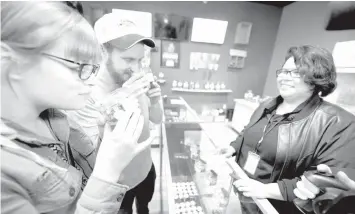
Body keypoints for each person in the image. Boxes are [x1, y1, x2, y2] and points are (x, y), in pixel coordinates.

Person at [1, 2, 153, 214]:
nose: (91, 80)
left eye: (91, 67)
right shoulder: (7, 176)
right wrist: (109, 169)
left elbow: (87, 174)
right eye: (77, 66)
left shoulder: (59, 121)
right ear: (15, 62)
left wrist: (104, 137)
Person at [220, 45, 355, 214]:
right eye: (283, 71)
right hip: (247, 190)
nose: (284, 77)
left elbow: (323, 181)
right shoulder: (267, 104)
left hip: (278, 206)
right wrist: (233, 146)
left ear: (316, 78)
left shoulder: (337, 122)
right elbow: (248, 131)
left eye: (295, 72)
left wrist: (264, 190)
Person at [66, 13, 163, 214]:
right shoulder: (84, 94)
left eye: (140, 59)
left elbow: (156, 118)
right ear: (102, 52)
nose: (136, 68)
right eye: (128, 59)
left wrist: (154, 100)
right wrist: (121, 97)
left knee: (144, 207)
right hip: (119, 183)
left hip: (146, 167)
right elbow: (90, 160)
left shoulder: (137, 77)